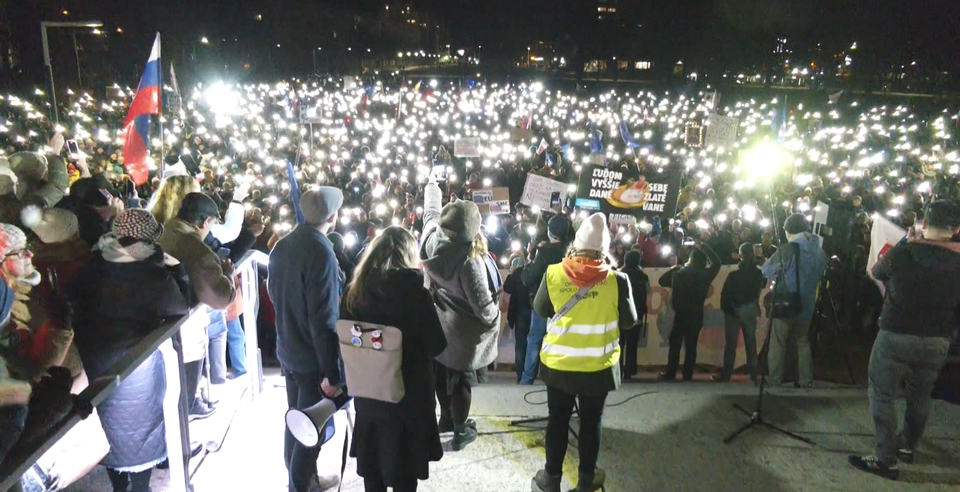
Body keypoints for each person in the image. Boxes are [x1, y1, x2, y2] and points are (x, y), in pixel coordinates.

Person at [69, 210, 190, 492]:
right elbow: (179, 306)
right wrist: (177, 270)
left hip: (96, 359)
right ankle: (140, 487)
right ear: (148, 241)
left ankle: (119, 486)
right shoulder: (151, 273)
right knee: (140, 426)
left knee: (110, 421)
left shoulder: (91, 266)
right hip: (138, 362)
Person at [849, 201, 960, 480]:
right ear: (956, 229)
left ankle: (885, 458)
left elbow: (877, 271)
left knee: (883, 393)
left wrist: (904, 243)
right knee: (920, 394)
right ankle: (908, 445)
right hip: (937, 339)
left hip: (896, 333)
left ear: (923, 222)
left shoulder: (906, 252)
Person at [530, 213, 636, 492]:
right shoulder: (618, 280)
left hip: (559, 366)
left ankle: (551, 478)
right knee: (591, 422)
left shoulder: (553, 273)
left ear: (575, 245)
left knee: (558, 420)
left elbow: (540, 309)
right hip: (598, 368)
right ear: (604, 249)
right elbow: (629, 321)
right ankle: (586, 481)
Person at [340, 226, 447, 492]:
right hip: (408, 399)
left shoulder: (354, 293)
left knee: (372, 476)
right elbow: (437, 345)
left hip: (370, 396)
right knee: (405, 478)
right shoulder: (417, 295)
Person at [268, 187, 345, 492]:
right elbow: (323, 318)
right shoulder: (321, 251)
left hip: (289, 349)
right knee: (309, 428)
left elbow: (275, 296)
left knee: (297, 421)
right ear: (332, 216)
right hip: (311, 357)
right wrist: (331, 371)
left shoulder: (283, 244)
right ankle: (301, 485)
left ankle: (306, 480)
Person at [419, 180, 500, 451]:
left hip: (439, 323)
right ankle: (461, 429)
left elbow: (430, 212)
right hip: (464, 334)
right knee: (461, 379)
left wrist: (432, 187)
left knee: (442, 373)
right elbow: (483, 306)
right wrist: (494, 318)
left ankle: (445, 418)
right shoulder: (469, 262)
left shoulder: (431, 238)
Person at [159, 193, 237, 419]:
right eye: (211, 225)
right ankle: (182, 442)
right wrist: (228, 275)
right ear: (204, 222)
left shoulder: (166, 229)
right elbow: (220, 297)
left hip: (162, 318)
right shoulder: (197, 248)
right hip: (185, 327)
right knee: (184, 387)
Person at [762, 214, 827, 388]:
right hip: (808, 304)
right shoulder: (819, 250)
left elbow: (767, 269)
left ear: (788, 230)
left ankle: (775, 378)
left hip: (787, 302)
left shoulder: (789, 247)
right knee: (803, 341)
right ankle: (806, 380)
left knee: (778, 341)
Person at [657, 239, 721, 381]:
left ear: (690, 259)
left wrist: (674, 268)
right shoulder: (705, 275)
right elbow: (717, 262)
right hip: (696, 314)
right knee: (691, 347)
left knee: (675, 346)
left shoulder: (679, 273)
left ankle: (671, 373)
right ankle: (687, 375)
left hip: (679, 314)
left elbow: (662, 281)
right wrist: (703, 246)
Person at [520, 215, 572, 384]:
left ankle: (527, 378)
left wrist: (529, 260)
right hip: (568, 304)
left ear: (550, 232)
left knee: (535, 339)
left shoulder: (544, 254)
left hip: (544, 303)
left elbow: (528, 278)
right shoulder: (573, 254)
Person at [715, 243, 767, 382]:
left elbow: (725, 294)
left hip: (733, 310)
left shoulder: (734, 275)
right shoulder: (758, 274)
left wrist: (728, 309)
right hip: (750, 308)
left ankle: (726, 374)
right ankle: (753, 374)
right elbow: (763, 284)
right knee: (751, 343)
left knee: (730, 344)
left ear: (740, 255)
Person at [618, 250, 649, 379]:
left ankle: (617, 370)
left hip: (619, 313)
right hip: (637, 313)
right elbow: (646, 294)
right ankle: (630, 370)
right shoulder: (643, 277)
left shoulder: (619, 275)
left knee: (618, 344)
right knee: (632, 344)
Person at [503, 260, 532, 383]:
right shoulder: (534, 272)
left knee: (520, 345)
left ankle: (521, 374)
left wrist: (511, 274)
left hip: (519, 311)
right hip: (534, 311)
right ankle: (530, 373)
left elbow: (507, 288)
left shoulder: (516, 273)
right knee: (533, 344)